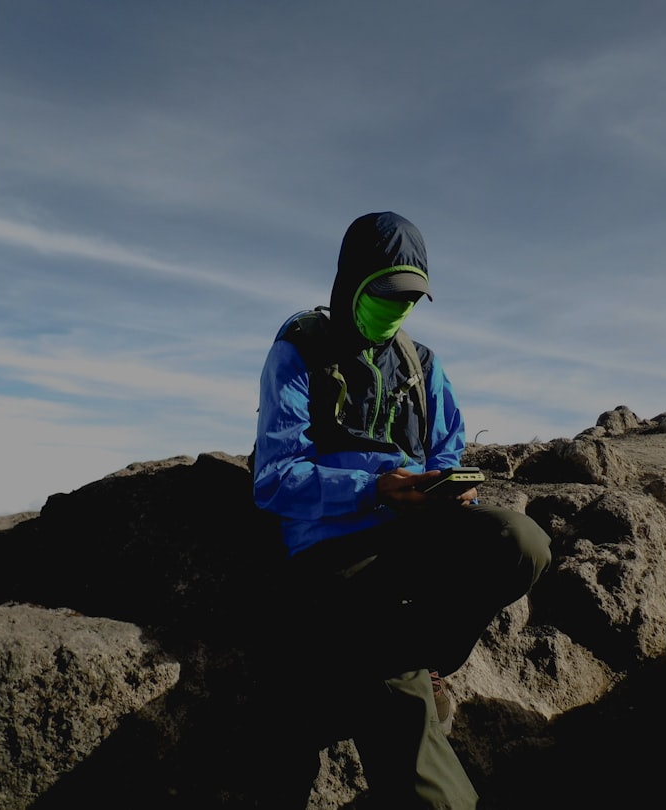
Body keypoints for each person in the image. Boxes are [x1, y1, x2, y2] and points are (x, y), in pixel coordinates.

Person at [252, 211, 552, 809]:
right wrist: (374, 486)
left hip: (413, 530)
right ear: (352, 284)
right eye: (385, 293)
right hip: (334, 555)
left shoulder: (422, 364)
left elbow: (448, 448)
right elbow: (274, 480)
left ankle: (422, 662)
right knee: (437, 790)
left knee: (521, 544)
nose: (397, 308)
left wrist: (450, 483)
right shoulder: (300, 350)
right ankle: (395, 677)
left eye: (410, 297)